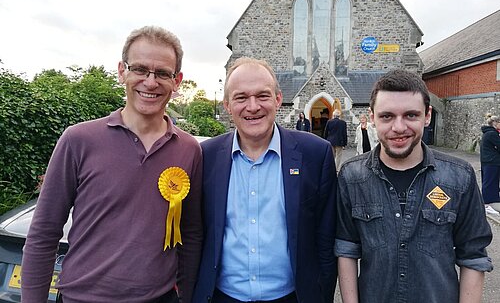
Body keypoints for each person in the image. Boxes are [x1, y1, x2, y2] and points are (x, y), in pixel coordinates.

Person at [21, 26, 203, 303]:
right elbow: (43, 233)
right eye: (140, 69)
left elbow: (190, 235)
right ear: (122, 72)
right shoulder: (78, 140)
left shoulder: (189, 149)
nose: (150, 82)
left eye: (162, 73)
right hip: (82, 298)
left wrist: (186, 297)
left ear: (176, 81)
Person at [335, 69, 493, 303]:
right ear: (372, 116)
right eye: (387, 116)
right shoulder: (352, 176)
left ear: (427, 115)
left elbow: (473, 257)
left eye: (410, 115)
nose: (399, 127)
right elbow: (347, 249)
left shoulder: (459, 177)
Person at [193, 57, 337, 303]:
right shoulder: (205, 157)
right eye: (241, 98)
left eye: (263, 96)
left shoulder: (315, 154)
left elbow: (326, 240)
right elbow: (196, 235)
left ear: (278, 99)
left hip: (292, 297)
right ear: (227, 105)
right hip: (222, 297)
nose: (253, 106)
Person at [480, 113, 500, 215]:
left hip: (486, 160)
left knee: (488, 180)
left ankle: (492, 199)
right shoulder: (492, 134)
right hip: (492, 161)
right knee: (490, 181)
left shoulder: (487, 133)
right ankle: (487, 203)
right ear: (495, 123)